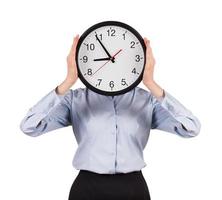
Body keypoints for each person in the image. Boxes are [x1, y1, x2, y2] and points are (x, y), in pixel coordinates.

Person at [20, 34, 201, 200]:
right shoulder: (75, 99)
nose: (112, 63)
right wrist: (68, 81)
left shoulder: (147, 101)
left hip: (133, 189)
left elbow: (191, 128)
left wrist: (151, 84)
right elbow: (30, 126)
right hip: (87, 189)